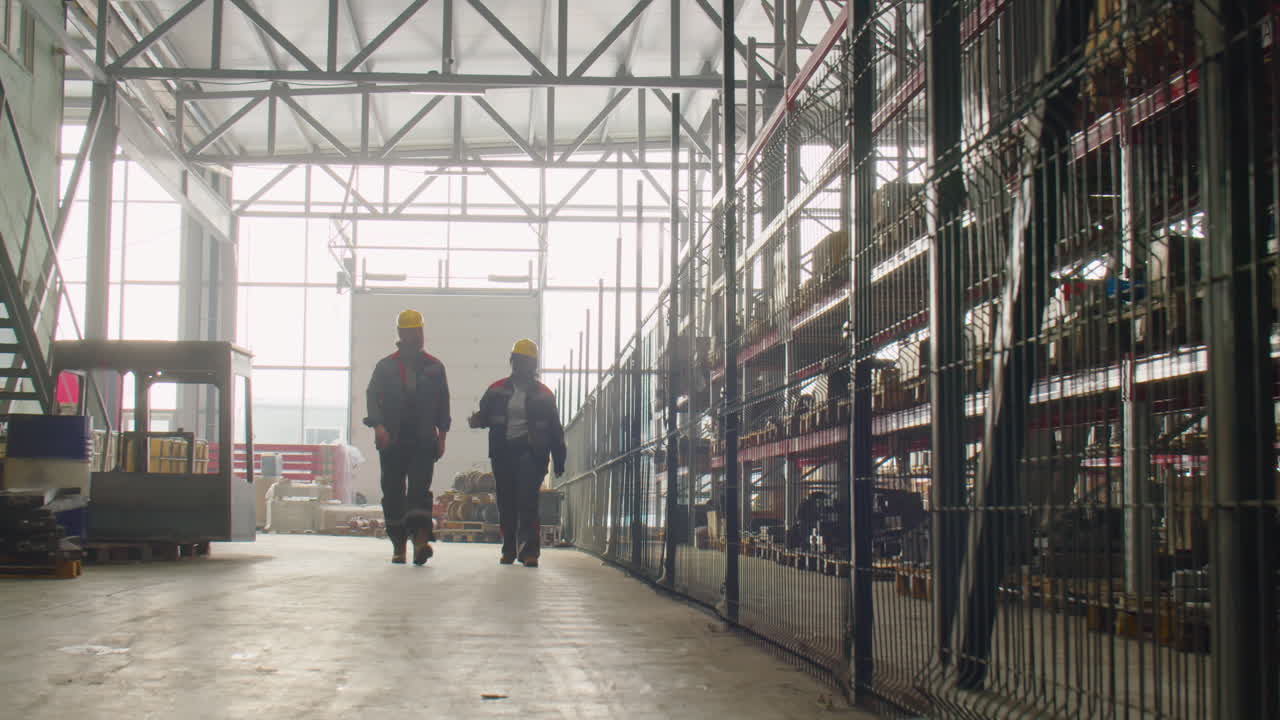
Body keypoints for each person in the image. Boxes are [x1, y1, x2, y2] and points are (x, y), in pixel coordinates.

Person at [364, 309, 450, 565]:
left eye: (420, 331)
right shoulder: (385, 367)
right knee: (392, 492)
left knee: (419, 492)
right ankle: (398, 544)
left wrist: (442, 435)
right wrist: (378, 427)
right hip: (392, 439)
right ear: (402, 334)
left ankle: (421, 541)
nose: (418, 336)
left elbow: (443, 402)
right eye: (413, 332)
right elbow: (372, 397)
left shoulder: (435, 367)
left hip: (424, 439)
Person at [468, 339, 565, 567]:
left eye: (526, 362)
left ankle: (530, 551)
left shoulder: (544, 395)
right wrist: (477, 420)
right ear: (513, 362)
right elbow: (485, 415)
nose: (521, 366)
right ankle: (509, 547)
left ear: (533, 365)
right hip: (503, 453)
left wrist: (559, 458)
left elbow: (554, 429)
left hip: (532, 453)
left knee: (527, 499)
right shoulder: (497, 389)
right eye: (518, 361)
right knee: (506, 502)